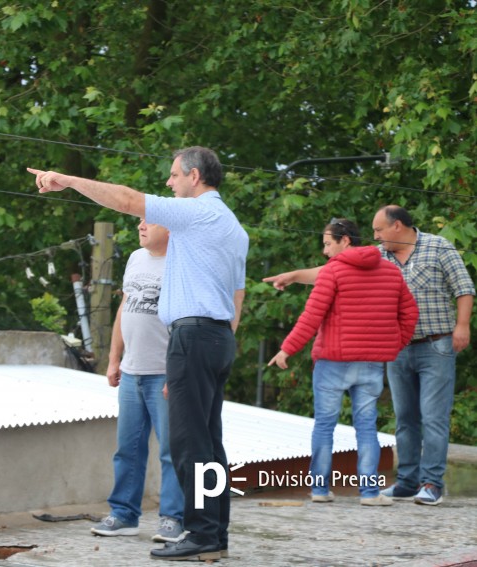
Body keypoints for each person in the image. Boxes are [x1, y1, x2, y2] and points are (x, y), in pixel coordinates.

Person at [29, 145, 248, 562]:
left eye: (173, 175)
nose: (169, 183)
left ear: (195, 177)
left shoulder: (198, 212)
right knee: (210, 443)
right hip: (217, 337)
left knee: (188, 444)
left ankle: (201, 533)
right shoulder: (233, 226)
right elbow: (237, 294)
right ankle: (214, 532)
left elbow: (127, 200)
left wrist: (69, 180)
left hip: (193, 337)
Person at [264, 205, 475, 506]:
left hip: (435, 344)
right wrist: (295, 275)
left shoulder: (438, 247)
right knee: (399, 419)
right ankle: (396, 485)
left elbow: (463, 288)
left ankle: (429, 483)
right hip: (391, 353)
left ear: (398, 226)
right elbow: (333, 274)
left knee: (431, 418)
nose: (375, 235)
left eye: (379, 230)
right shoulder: (380, 258)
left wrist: (462, 326)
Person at [267, 218, 418, 506]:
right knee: (367, 427)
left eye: (327, 244)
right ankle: (371, 493)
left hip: (333, 362)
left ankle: (321, 489)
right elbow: (409, 314)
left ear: (345, 240)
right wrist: (391, 345)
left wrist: (287, 349)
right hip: (371, 364)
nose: (324, 252)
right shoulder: (390, 271)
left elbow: (311, 316)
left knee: (324, 425)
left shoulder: (333, 272)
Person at [90, 218, 186, 543]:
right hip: (131, 371)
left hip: (165, 373)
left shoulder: (182, 264)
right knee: (127, 448)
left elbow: (188, 324)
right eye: (139, 222)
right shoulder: (135, 258)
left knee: (172, 450)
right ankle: (123, 515)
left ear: (170, 228)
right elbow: (124, 309)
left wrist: (179, 372)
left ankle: (174, 518)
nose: (141, 227)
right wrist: (114, 359)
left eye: (149, 222)